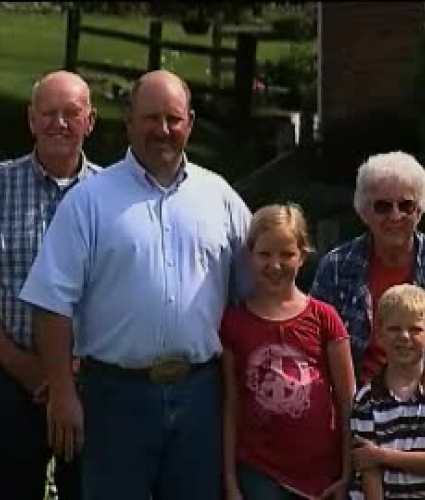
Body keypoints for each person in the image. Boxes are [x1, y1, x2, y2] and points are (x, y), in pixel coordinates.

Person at [19, 69, 252, 500]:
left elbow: (254, 292)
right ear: (129, 123)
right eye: (150, 118)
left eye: (173, 119)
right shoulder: (89, 201)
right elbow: (52, 302)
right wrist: (63, 393)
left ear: (190, 123)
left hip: (200, 395)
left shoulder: (220, 198)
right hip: (114, 397)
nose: (162, 130)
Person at [310, 151, 425, 496]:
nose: (395, 216)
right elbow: (313, 354)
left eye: (406, 205)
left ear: (421, 209)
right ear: (362, 210)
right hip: (356, 429)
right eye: (382, 206)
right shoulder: (337, 267)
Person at [0, 70, 99, 500]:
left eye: (71, 113)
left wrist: (68, 372)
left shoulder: (113, 195)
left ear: (90, 121)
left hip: (90, 379)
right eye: (49, 113)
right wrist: (22, 365)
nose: (60, 122)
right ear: (31, 119)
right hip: (8, 374)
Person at [220, 203, 356, 500]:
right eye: (264, 254)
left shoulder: (324, 318)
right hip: (258, 472)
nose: (275, 265)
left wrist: (348, 473)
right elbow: (230, 405)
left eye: (286, 254)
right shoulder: (233, 322)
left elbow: (347, 400)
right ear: (250, 255)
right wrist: (230, 483)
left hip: (321, 475)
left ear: (303, 256)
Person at [349, 284, 425, 500]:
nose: (404, 336)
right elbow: (368, 470)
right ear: (380, 336)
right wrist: (374, 459)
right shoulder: (366, 399)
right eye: (394, 329)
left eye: (415, 329)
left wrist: (381, 456)